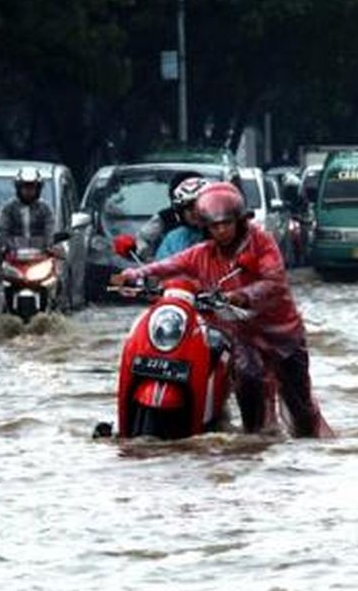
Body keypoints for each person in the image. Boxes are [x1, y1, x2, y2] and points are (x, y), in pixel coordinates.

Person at [111, 182, 331, 438]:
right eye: (215, 226)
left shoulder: (261, 243)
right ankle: (251, 439)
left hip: (279, 334)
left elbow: (273, 281)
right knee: (248, 381)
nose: (222, 230)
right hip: (239, 334)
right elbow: (170, 265)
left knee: (300, 407)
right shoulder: (203, 253)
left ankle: (307, 446)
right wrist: (134, 274)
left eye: (227, 223)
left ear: (239, 221)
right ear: (206, 227)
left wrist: (242, 295)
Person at [135, 169, 202, 259]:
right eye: (188, 207)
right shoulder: (173, 238)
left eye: (198, 204)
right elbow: (143, 238)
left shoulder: (220, 227)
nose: (195, 211)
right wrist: (150, 260)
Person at [0, 166, 55, 247]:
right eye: (25, 187)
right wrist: (7, 246)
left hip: (41, 255)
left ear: (38, 189)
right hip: (13, 255)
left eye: (32, 187)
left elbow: (49, 231)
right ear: (18, 188)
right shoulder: (8, 208)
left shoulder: (45, 209)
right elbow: (3, 231)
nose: (28, 191)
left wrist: (49, 244)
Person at [153, 176, 207, 260]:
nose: (193, 211)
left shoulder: (223, 231)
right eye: (187, 207)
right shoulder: (173, 239)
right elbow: (161, 267)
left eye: (197, 206)